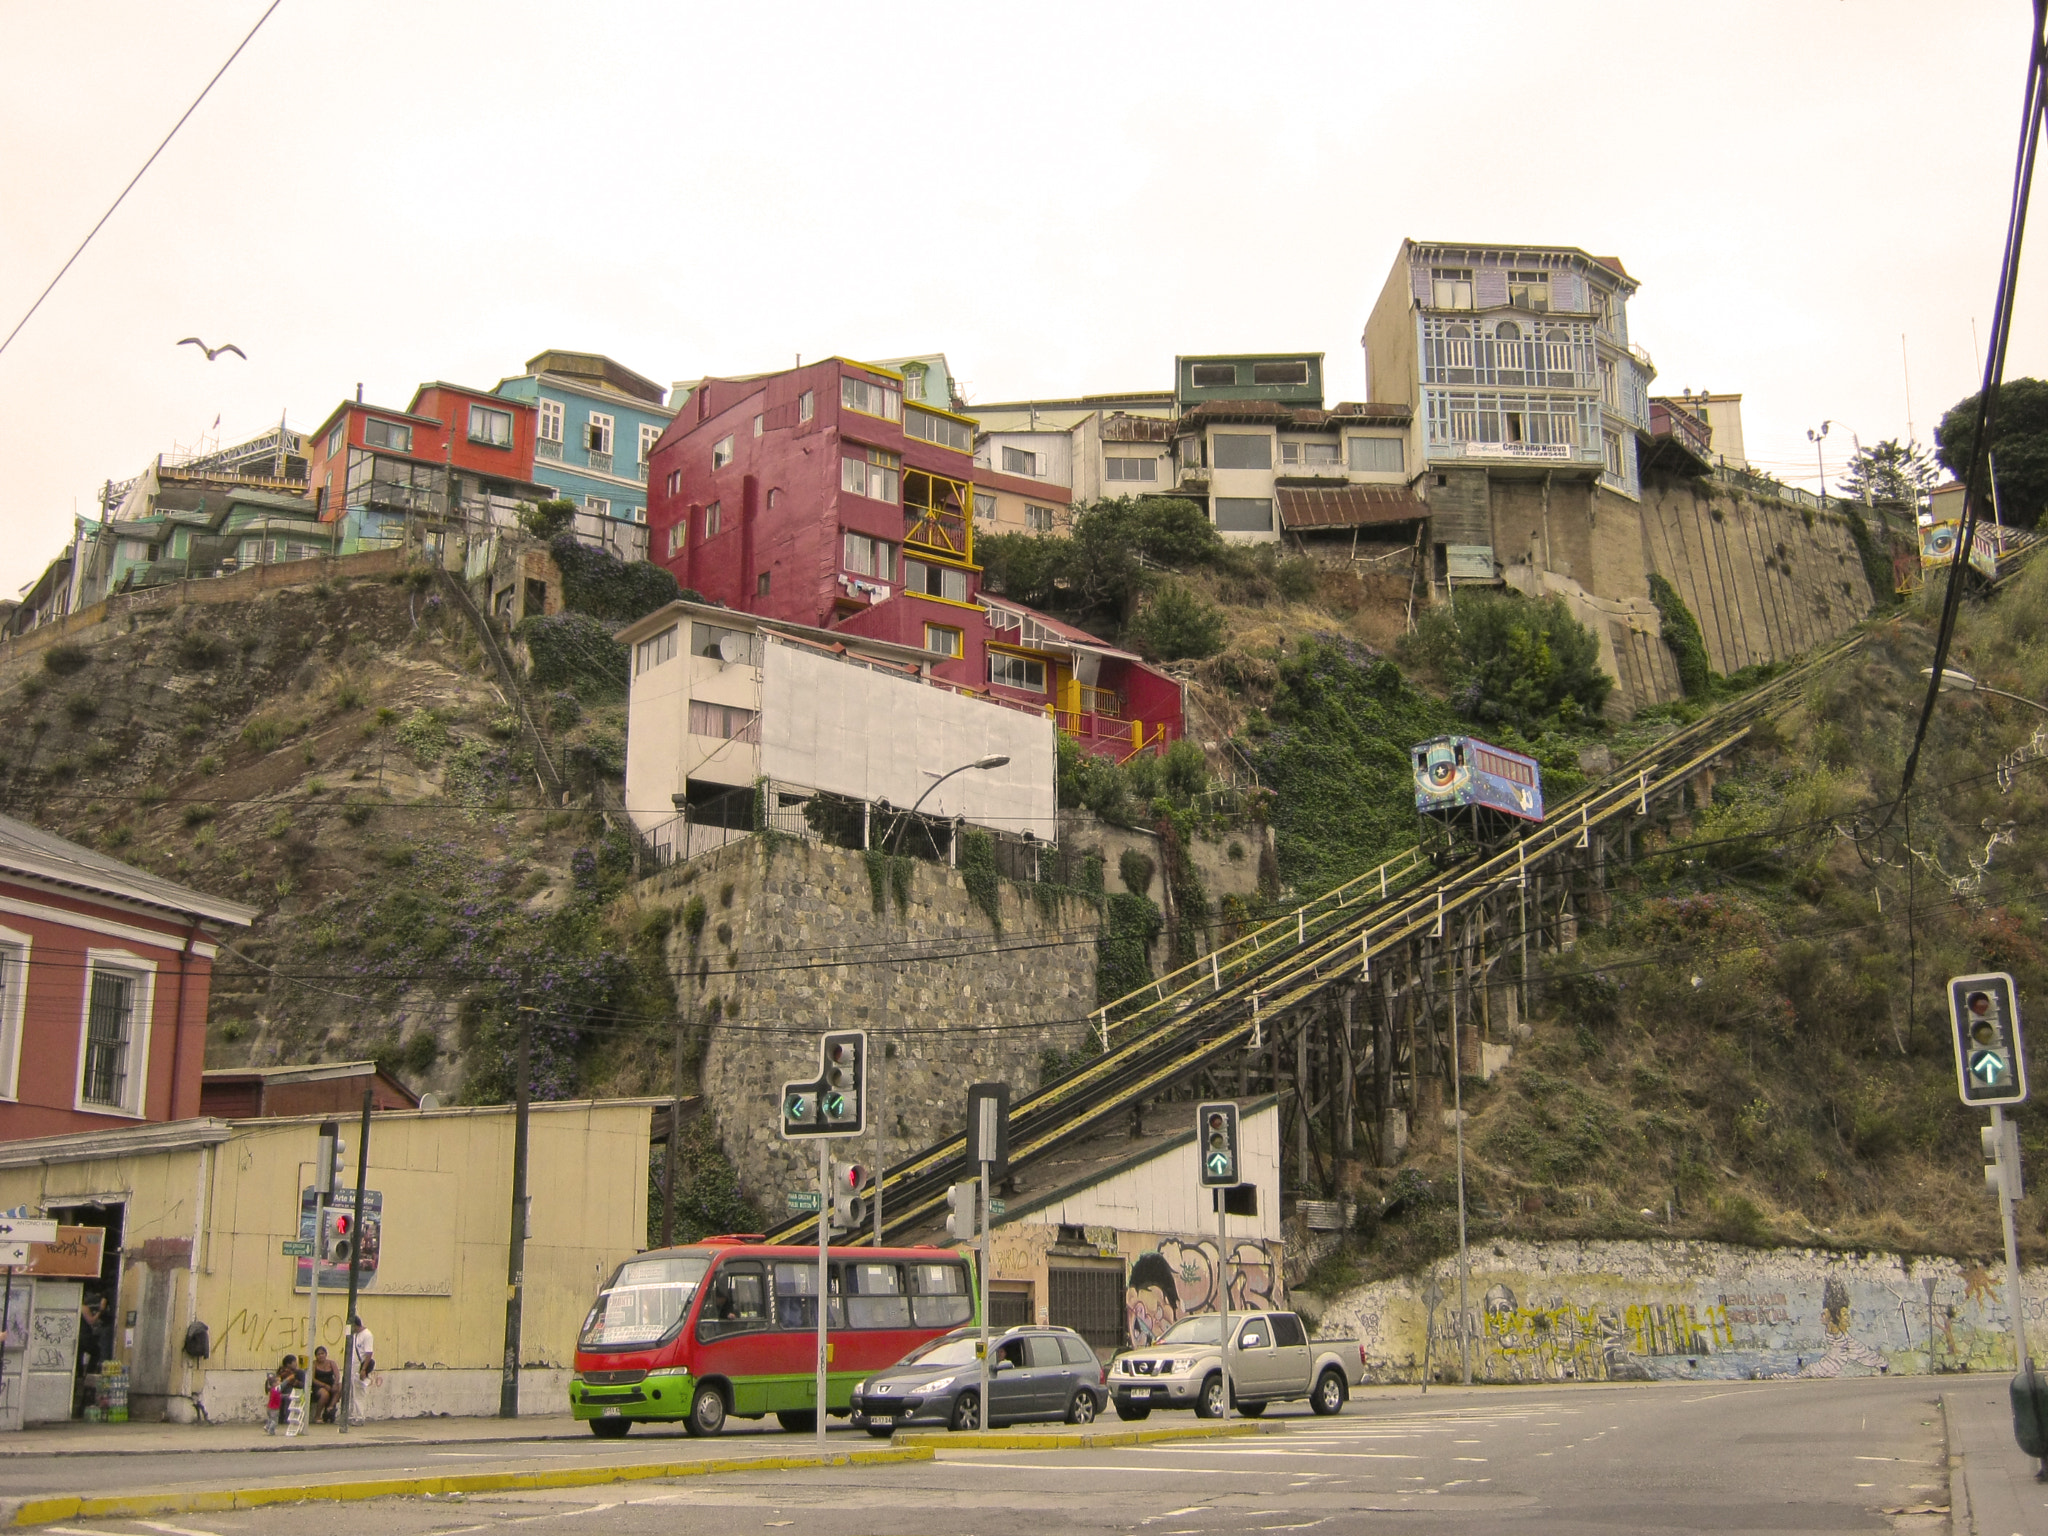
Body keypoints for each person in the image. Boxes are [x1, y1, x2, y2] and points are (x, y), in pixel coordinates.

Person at [347, 1315, 375, 1423]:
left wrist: (363, 1369)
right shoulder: (355, 1335)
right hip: (353, 1366)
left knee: (359, 1392)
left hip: (360, 1366)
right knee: (351, 1391)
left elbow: (369, 1353)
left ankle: (360, 1416)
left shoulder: (367, 1335)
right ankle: (352, 1415)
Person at [310, 1346, 339, 1423]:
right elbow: (312, 1379)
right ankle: (317, 1416)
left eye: (322, 1353)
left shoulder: (331, 1363)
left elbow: (337, 1375)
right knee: (324, 1394)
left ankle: (330, 1407)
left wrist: (335, 1384)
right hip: (318, 1386)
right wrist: (324, 1385)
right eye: (318, 1354)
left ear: (326, 1354)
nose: (321, 1356)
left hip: (331, 1384)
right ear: (316, 1356)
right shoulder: (314, 1364)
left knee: (340, 1386)